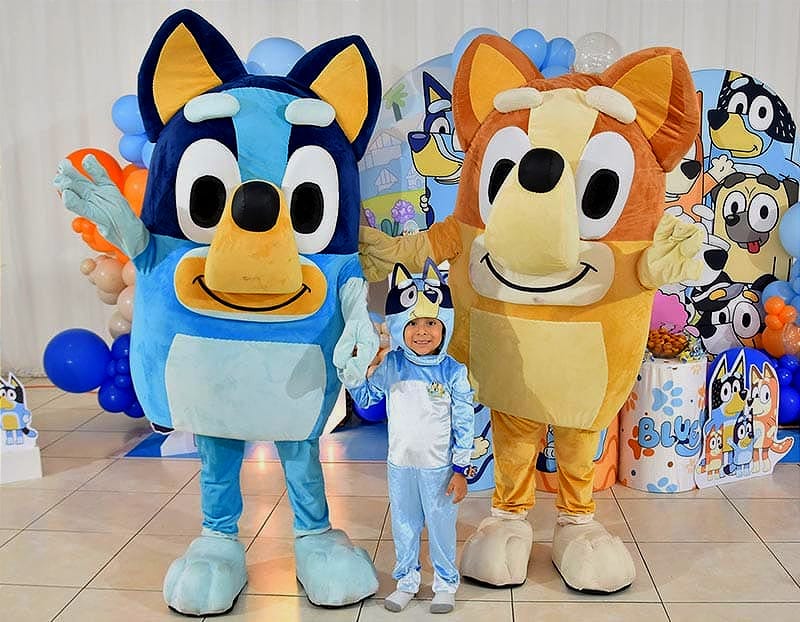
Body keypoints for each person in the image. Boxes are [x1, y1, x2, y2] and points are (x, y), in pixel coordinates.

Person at [336, 259, 474, 614]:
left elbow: (464, 423)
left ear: (445, 324)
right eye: (412, 323)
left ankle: (445, 583)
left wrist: (461, 469)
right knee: (404, 525)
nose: (422, 332)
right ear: (399, 325)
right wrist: (353, 376)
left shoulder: (453, 372)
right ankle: (407, 581)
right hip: (400, 466)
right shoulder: (393, 365)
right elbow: (369, 398)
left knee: (441, 526)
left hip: (439, 468)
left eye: (431, 323)